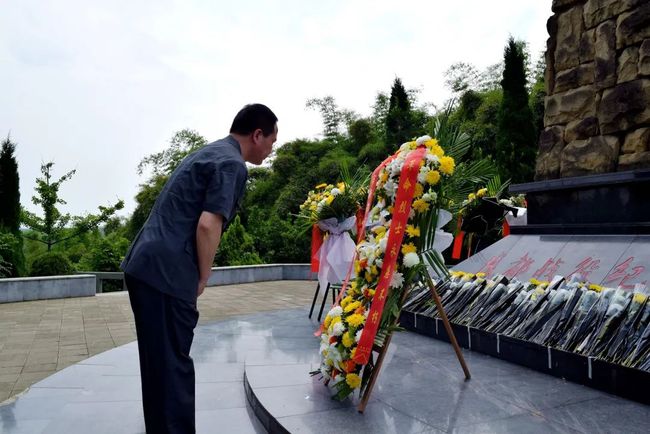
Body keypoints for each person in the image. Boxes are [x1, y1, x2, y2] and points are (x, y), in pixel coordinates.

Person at [121, 104, 278, 433]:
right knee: (174, 366)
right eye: (272, 141)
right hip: (168, 272)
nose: (271, 149)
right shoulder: (233, 164)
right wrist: (203, 277)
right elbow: (208, 225)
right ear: (257, 134)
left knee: (158, 366)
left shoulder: (210, 152)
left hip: (144, 264)